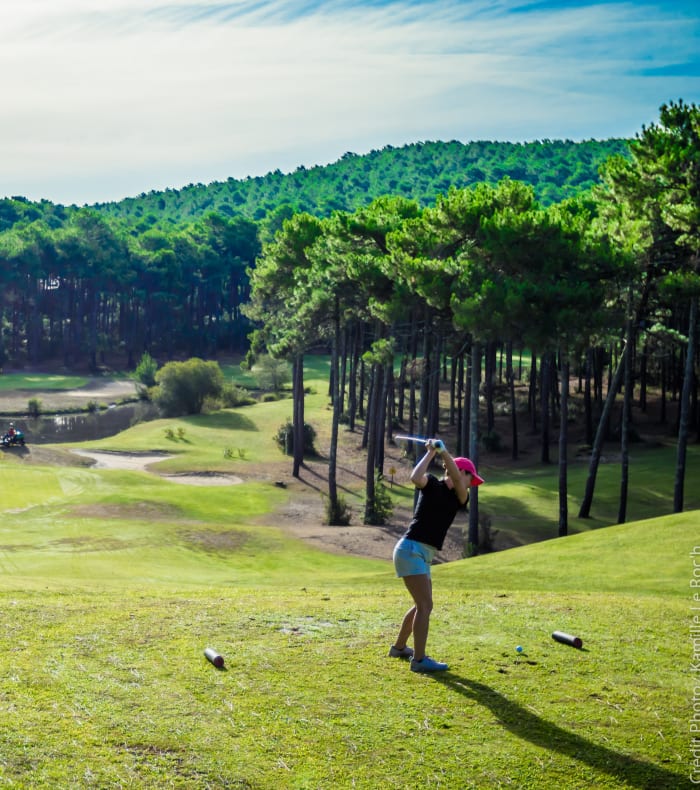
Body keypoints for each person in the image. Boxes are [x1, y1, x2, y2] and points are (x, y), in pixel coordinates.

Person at [389, 439, 484, 673]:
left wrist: (445, 453)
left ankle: (399, 648)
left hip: (422, 553)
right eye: (470, 477)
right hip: (410, 549)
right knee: (425, 605)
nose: (472, 483)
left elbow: (453, 472)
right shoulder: (431, 484)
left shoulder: (460, 496)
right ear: (462, 473)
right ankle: (419, 660)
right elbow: (415, 477)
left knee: (422, 605)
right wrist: (432, 453)